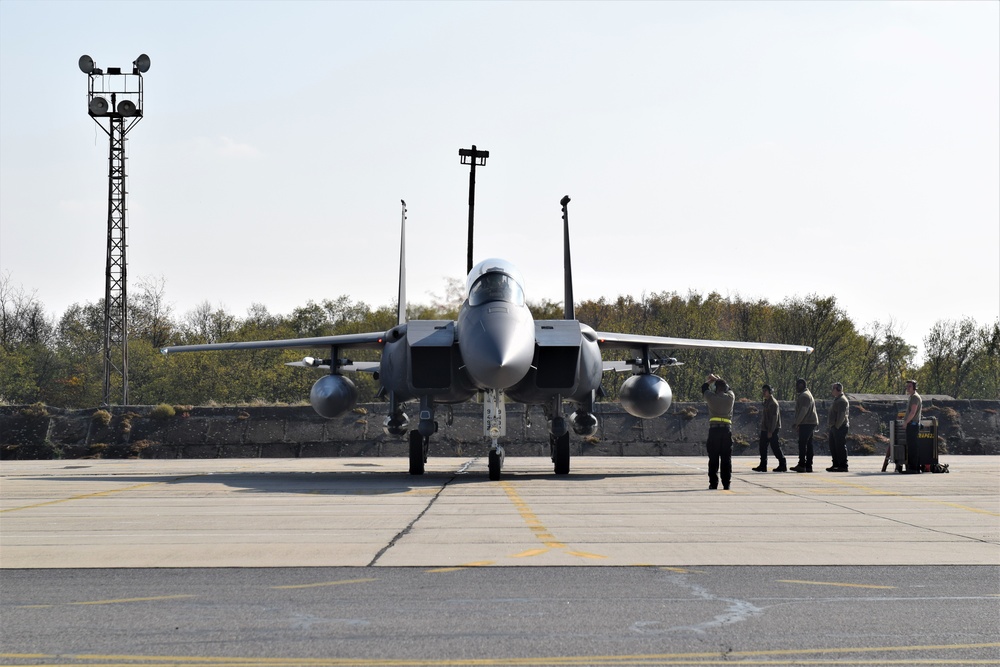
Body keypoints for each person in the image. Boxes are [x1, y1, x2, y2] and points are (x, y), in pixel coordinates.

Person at [702, 373, 735, 490]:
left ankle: (713, 483)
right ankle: (726, 483)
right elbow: (729, 388)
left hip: (714, 431)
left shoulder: (711, 397)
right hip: (726, 431)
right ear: (725, 388)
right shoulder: (730, 398)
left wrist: (710, 381)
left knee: (713, 458)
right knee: (726, 459)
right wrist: (719, 379)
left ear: (716, 388)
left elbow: (704, 388)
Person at [753, 384, 786, 472]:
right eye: (763, 391)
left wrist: (770, 431)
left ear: (770, 392)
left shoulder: (773, 403)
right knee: (762, 447)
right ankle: (763, 465)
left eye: (765, 391)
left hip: (772, 429)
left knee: (775, 447)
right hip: (765, 428)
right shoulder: (767, 402)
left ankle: (782, 464)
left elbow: (774, 418)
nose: (763, 393)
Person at [790, 378, 818, 473]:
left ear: (801, 385)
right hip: (809, 422)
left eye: (797, 385)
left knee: (803, 443)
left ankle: (802, 464)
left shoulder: (804, 396)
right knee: (808, 444)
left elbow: (803, 411)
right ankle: (808, 465)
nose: (796, 388)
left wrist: (797, 423)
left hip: (807, 423)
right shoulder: (807, 394)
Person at [826, 382, 850, 472]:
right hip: (834, 427)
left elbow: (841, 415)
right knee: (833, 446)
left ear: (838, 390)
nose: (832, 391)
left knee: (840, 446)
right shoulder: (837, 399)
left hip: (840, 427)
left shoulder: (842, 400)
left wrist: (837, 426)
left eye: (833, 389)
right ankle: (836, 464)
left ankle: (843, 465)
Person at [902, 379, 923, 473]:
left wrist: (906, 422)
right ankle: (913, 467)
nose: (907, 388)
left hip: (913, 425)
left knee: (913, 448)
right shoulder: (912, 397)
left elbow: (913, 412)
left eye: (910, 386)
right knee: (911, 447)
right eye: (907, 386)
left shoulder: (915, 397)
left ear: (914, 387)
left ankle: (913, 468)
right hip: (912, 425)